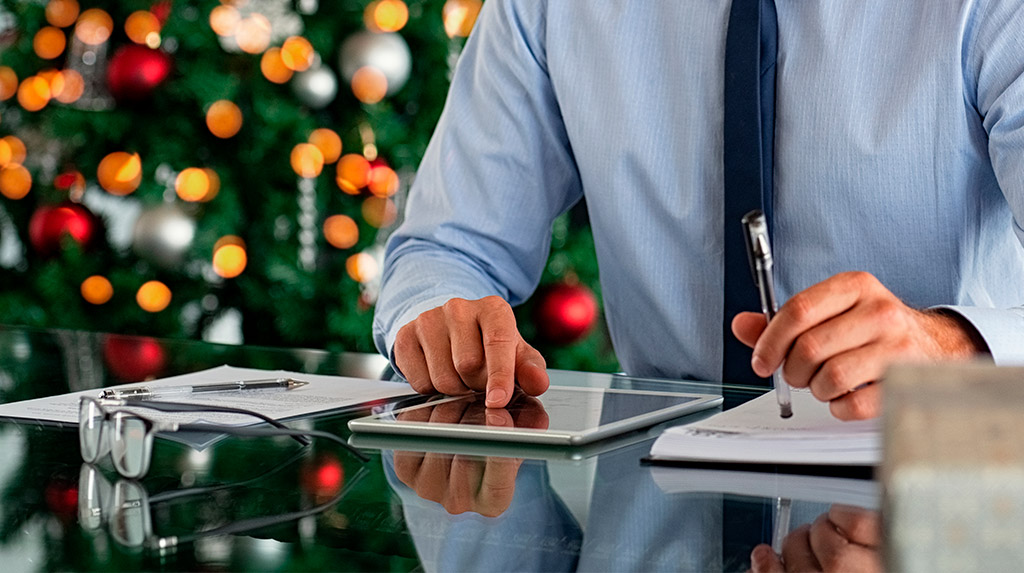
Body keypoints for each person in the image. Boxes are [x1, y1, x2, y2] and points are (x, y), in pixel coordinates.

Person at [374, 0, 1024, 420]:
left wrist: (956, 343)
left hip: (945, 471)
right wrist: (439, 314)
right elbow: (444, 251)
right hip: (659, 484)